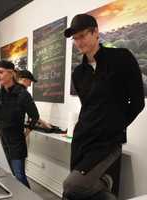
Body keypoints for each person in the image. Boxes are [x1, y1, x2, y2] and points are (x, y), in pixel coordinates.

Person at [63, 14, 145, 200]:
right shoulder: (79, 73)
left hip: (107, 142)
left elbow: (138, 102)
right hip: (82, 140)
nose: (78, 42)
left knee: (72, 185)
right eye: (75, 38)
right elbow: (89, 108)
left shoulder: (121, 58)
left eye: (82, 35)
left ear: (96, 33)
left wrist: (115, 126)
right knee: (74, 194)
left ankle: (105, 183)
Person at [0, 60, 39, 188]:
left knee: (19, 176)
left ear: (11, 73)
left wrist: (26, 133)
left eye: (1, 72)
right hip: (2, 141)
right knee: (9, 174)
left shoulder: (23, 94)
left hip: (16, 142)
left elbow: (35, 116)